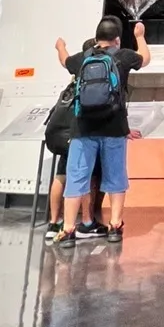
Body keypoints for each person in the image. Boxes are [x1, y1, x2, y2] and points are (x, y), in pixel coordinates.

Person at [52, 16, 150, 247]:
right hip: (114, 129)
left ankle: (68, 230)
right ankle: (115, 226)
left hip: (83, 129)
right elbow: (145, 59)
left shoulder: (82, 58)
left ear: (96, 39)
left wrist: (61, 46)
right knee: (116, 177)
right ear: (116, 39)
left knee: (76, 177)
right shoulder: (123, 56)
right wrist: (140, 36)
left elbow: (64, 60)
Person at [46, 38, 106, 240]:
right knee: (85, 178)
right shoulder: (96, 73)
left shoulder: (75, 75)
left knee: (61, 176)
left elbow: (64, 60)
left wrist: (61, 47)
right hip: (80, 134)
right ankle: (86, 222)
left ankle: (54, 223)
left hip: (62, 133)